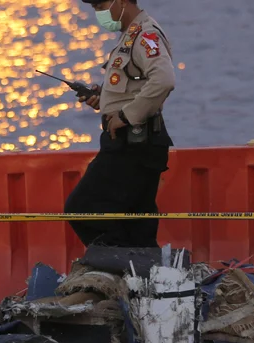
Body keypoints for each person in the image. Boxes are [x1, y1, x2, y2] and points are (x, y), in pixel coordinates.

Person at [64, 0, 176, 249]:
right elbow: (134, 87)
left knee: (82, 210)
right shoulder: (131, 35)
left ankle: (119, 271)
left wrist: (125, 116)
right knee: (136, 225)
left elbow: (164, 80)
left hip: (133, 143)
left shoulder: (145, 35)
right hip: (137, 142)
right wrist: (103, 98)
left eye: (101, 5)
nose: (99, 13)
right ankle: (144, 278)